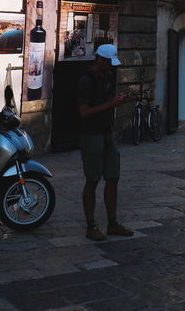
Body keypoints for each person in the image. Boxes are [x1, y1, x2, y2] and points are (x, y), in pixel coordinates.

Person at [77, 44, 133, 239]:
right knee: (92, 180)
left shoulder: (107, 77)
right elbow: (84, 112)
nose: (111, 66)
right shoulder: (86, 81)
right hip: (91, 134)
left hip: (107, 132)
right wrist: (110, 103)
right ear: (100, 59)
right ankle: (90, 225)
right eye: (108, 62)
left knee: (113, 177)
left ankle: (112, 223)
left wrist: (118, 100)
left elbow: (107, 103)